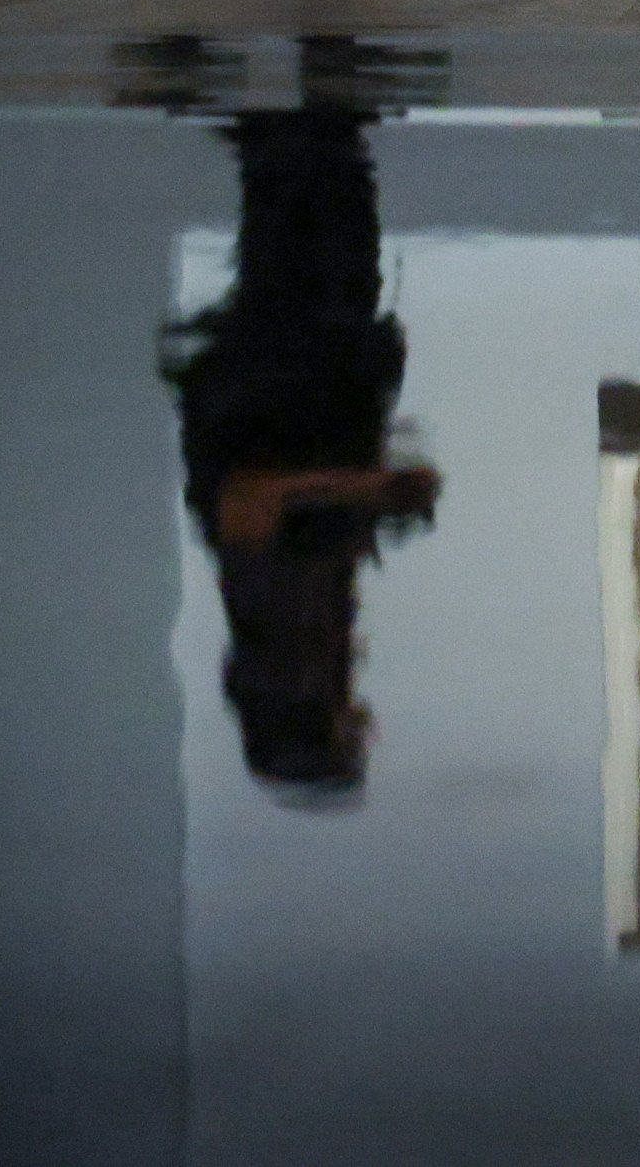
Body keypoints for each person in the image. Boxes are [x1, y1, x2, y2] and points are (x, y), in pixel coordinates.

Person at [163, 106, 442, 799]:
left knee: (313, 239)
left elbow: (249, 500)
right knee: (310, 233)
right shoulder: (291, 643)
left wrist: (369, 489)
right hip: (299, 386)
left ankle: (299, 111)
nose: (365, 725)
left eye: (351, 738)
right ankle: (292, 119)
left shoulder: (279, 641)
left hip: (286, 388)